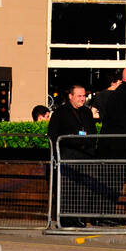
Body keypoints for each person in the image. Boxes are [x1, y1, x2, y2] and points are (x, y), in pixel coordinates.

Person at [47, 84, 99, 227]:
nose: (83, 99)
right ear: (70, 96)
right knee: (68, 189)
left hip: (85, 156)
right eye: (79, 96)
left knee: (83, 189)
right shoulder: (60, 113)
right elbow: (53, 135)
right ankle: (66, 218)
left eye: (84, 96)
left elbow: (93, 133)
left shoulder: (87, 112)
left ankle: (79, 217)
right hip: (68, 156)